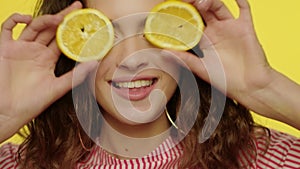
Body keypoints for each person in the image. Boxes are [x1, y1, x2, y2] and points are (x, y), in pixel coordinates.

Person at [0, 0, 299, 168]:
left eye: (150, 31)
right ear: (74, 47)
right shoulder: (23, 165)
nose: (132, 60)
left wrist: (265, 89)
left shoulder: (258, 159)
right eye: (108, 34)